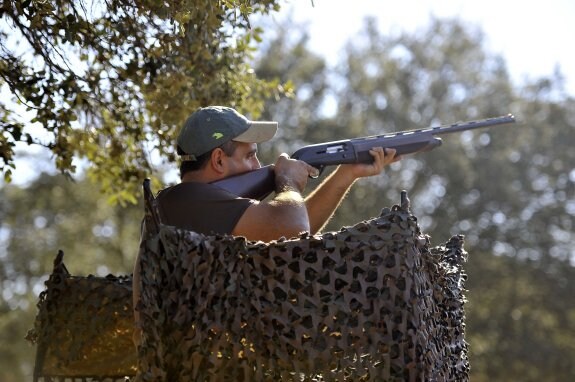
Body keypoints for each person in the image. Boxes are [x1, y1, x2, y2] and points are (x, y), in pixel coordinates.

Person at [156, 105, 400, 242]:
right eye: (249, 155)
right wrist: (287, 181)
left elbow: (294, 231)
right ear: (219, 159)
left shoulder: (189, 206)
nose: (257, 165)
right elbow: (290, 226)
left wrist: (346, 174)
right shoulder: (189, 201)